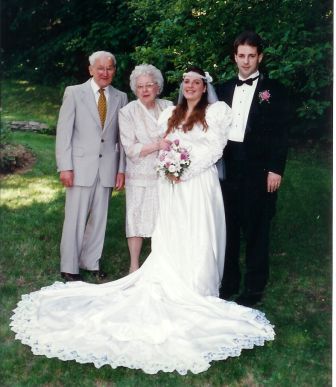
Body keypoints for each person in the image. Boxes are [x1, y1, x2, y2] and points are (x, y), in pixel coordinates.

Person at [11, 67, 275, 375]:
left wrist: (183, 171)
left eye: (196, 82)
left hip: (199, 185)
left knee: (199, 233)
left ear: (205, 88)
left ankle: (199, 284)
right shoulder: (171, 114)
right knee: (173, 233)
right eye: (186, 82)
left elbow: (215, 149)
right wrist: (171, 168)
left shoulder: (216, 113)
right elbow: (165, 147)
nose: (190, 86)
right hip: (173, 188)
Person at [216, 31, 289, 306]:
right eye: (241, 56)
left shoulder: (274, 90)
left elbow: (281, 132)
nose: (246, 61)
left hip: (258, 168)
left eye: (251, 56)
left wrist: (275, 169)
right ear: (235, 57)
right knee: (229, 228)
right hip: (229, 166)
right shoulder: (223, 90)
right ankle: (229, 282)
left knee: (257, 228)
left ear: (260, 57)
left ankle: (254, 288)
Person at [55, 51, 128, 282]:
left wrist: (121, 169)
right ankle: (69, 267)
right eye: (100, 68)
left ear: (114, 70)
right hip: (79, 167)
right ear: (90, 70)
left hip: (107, 167)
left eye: (110, 68)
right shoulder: (74, 93)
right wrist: (65, 167)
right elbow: (63, 133)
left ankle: (91, 261)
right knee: (75, 218)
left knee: (100, 218)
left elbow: (122, 139)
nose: (105, 73)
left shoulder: (121, 97)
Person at [119, 64, 172, 273]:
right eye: (140, 86)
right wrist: (157, 146)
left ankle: (159, 263)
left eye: (149, 85)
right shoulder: (127, 112)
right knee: (136, 217)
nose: (145, 90)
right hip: (139, 173)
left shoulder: (168, 106)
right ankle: (134, 265)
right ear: (135, 89)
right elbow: (130, 148)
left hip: (165, 173)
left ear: (157, 87)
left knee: (161, 217)